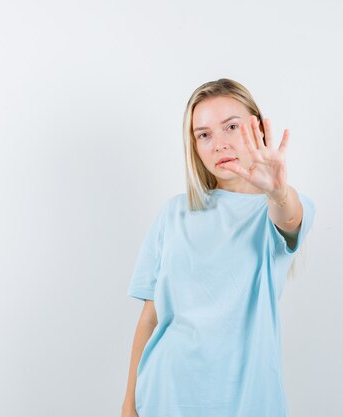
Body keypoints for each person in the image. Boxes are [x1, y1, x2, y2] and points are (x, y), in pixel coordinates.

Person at [121, 78, 316, 417]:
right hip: (163, 398)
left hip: (247, 404)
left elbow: (290, 216)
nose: (219, 144)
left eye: (231, 127)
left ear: (257, 129)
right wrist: (128, 405)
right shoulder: (174, 214)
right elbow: (149, 319)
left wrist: (278, 192)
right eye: (204, 134)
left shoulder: (273, 210)